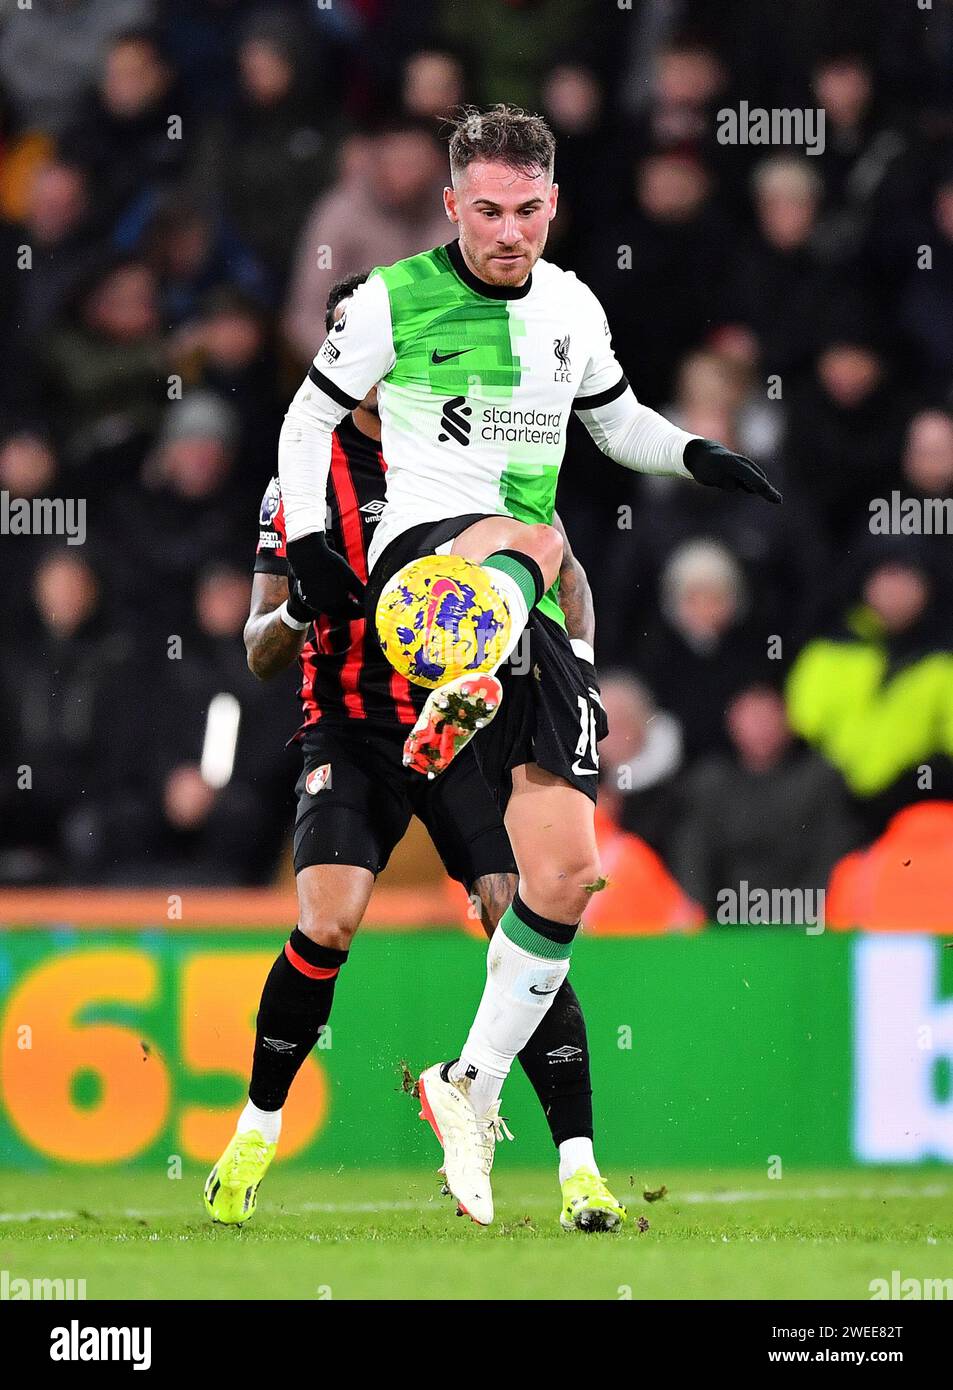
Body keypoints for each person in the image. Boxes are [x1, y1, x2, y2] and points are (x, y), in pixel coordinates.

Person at [276, 104, 780, 1224]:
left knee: (563, 877)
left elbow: (618, 424)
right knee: (536, 535)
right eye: (488, 210)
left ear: (554, 206)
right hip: (426, 563)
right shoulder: (385, 301)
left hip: (523, 617)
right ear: (451, 204)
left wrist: (695, 454)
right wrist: (311, 543)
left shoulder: (570, 308)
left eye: (528, 210)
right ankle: (457, 678)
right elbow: (303, 425)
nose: (509, 231)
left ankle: (470, 1081)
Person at [204, 276, 626, 1234]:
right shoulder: (301, 479)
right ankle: (256, 1130)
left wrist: (583, 677)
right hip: (352, 731)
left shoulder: (476, 442)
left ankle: (578, 1171)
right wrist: (306, 600)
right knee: (330, 918)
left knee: (521, 912)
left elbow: (566, 566)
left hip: (466, 725)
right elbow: (258, 648)